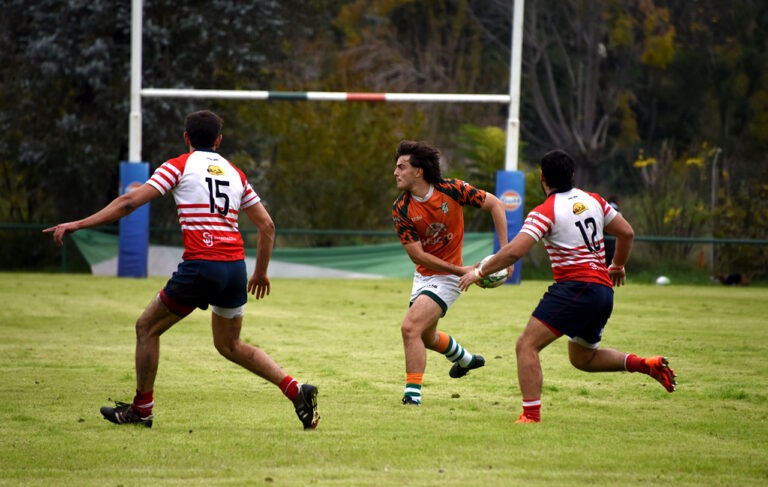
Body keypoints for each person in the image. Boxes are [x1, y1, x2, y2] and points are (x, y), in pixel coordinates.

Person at [44, 110, 319, 430]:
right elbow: (267, 225)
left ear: (186, 138)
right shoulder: (235, 174)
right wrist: (260, 273)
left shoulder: (178, 165)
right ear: (218, 141)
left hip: (202, 265)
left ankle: (142, 409)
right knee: (229, 345)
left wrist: (78, 223)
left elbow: (129, 203)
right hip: (234, 269)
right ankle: (295, 390)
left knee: (146, 328)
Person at [459, 149, 676, 423]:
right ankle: (644, 365)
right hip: (602, 291)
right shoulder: (594, 200)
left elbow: (514, 251)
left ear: (542, 177)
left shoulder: (544, 211)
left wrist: (479, 271)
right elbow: (626, 232)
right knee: (583, 358)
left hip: (575, 288)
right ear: (572, 175)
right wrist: (618, 265)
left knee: (526, 345)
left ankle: (530, 416)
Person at [392, 140, 511, 405]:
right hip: (429, 274)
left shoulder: (452, 189)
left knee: (409, 328)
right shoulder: (401, 208)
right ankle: (466, 360)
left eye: (401, 167)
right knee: (427, 336)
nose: (395, 173)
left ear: (418, 171)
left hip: (447, 278)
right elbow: (418, 255)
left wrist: (505, 255)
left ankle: (412, 397)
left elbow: (496, 206)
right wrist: (464, 270)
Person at [603, 195, 620, 266]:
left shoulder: (604, 210)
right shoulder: (617, 212)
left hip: (603, 241)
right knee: (611, 262)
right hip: (612, 241)